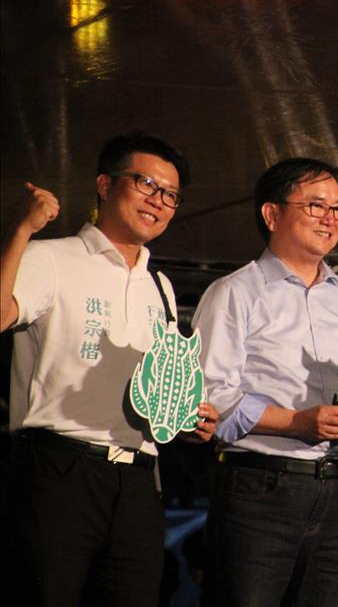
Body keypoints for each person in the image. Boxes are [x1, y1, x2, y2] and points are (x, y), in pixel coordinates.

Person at [1, 132, 218, 607]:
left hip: (139, 478)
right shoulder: (52, 258)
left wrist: (186, 419)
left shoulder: (159, 287)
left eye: (170, 195)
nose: (158, 201)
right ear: (105, 184)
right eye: (145, 183)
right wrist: (22, 230)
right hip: (59, 469)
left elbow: (155, 391)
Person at [192, 157, 338, 606]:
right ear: (272, 214)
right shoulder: (234, 292)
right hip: (259, 489)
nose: (331, 219)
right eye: (316, 206)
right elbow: (209, 397)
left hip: (335, 490)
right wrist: (296, 422)